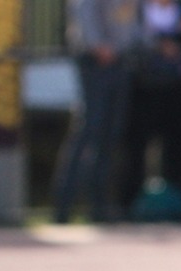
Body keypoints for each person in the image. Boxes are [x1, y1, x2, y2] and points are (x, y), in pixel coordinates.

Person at [52, 0, 143, 223]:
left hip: (121, 61)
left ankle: (99, 205)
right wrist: (98, 45)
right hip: (95, 61)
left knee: (110, 133)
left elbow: (135, 22)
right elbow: (84, 13)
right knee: (89, 129)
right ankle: (64, 204)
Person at [118, 0, 181, 220]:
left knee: (178, 148)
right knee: (136, 148)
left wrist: (180, 41)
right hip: (143, 89)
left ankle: (180, 205)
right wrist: (158, 44)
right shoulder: (137, 9)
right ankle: (129, 206)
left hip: (179, 90)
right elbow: (128, 37)